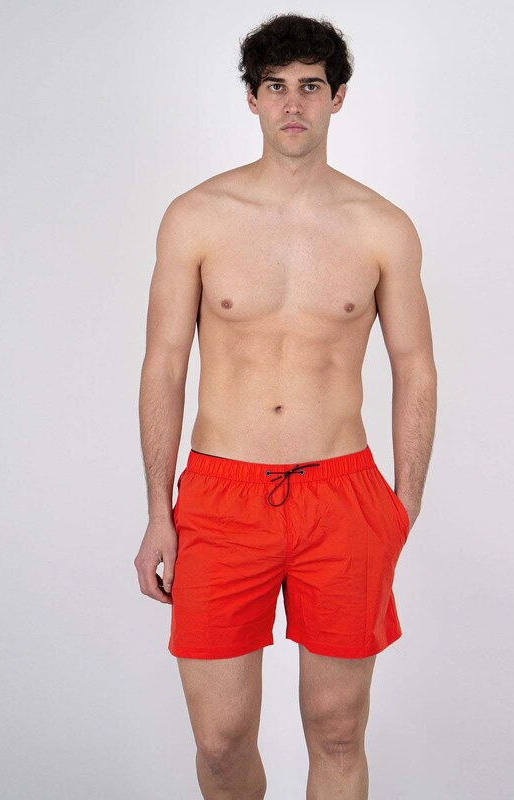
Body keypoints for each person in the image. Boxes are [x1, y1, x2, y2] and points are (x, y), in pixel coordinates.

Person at [134, 12, 437, 799]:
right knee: (219, 741)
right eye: (275, 87)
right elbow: (164, 364)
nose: (293, 103)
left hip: (342, 495)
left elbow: (415, 365)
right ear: (252, 98)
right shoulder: (197, 216)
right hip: (221, 495)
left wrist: (403, 502)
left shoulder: (383, 227)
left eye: (310, 86)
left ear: (339, 97)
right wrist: (159, 510)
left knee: (337, 729)